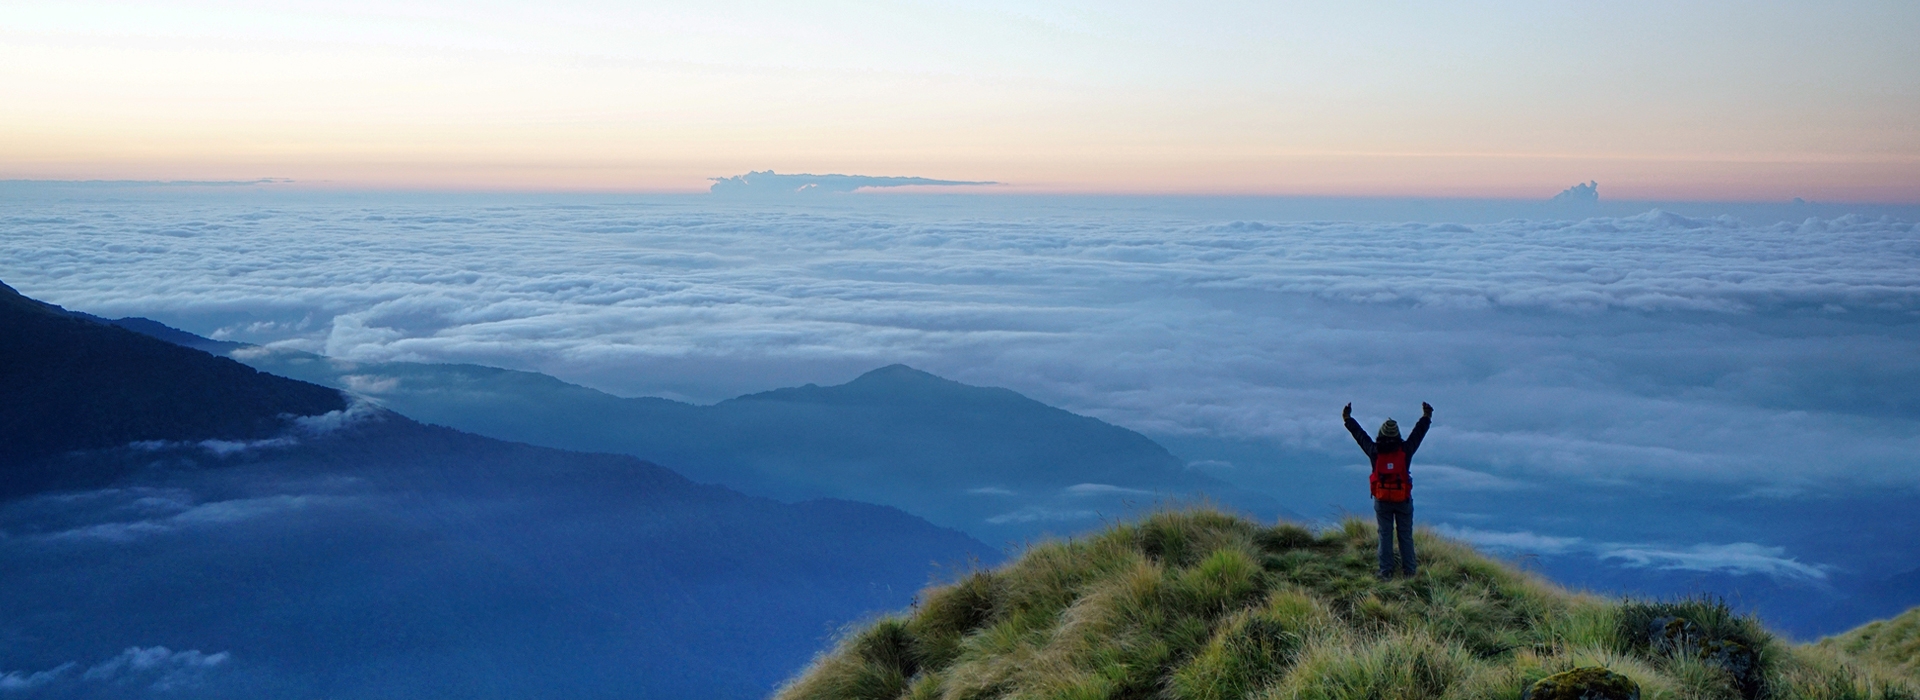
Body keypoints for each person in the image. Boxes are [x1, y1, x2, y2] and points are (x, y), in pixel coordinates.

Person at [1344, 401, 1432, 579]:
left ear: (1381, 433)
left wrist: (1348, 418)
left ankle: (1386, 572)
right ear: (1397, 434)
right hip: (1403, 499)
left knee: (1385, 534)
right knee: (1405, 535)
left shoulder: (1375, 451)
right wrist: (1426, 416)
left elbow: (1360, 435)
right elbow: (1418, 434)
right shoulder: (1405, 450)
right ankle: (1410, 571)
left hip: (1382, 499)